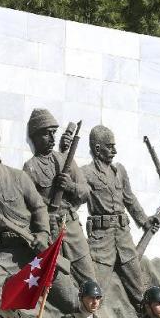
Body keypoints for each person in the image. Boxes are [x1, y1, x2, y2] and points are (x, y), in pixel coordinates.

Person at [0, 129, 79, 313]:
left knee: (71, 301)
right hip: (6, 252)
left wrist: (42, 234)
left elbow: (39, 208)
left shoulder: (19, 177)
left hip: (34, 246)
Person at [82, 125, 160, 312]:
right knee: (93, 292)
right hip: (101, 241)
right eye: (110, 146)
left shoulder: (120, 171)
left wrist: (145, 221)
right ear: (97, 148)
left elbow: (129, 198)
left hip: (124, 238)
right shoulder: (85, 172)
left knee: (140, 291)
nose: (115, 151)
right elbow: (75, 196)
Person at [23, 108, 97, 291]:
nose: (52, 138)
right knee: (58, 284)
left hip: (71, 227)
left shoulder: (64, 160)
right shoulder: (30, 168)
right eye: (46, 134)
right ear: (34, 136)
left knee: (89, 279)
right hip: (50, 230)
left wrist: (70, 186)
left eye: (53, 133)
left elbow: (86, 192)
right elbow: (28, 207)